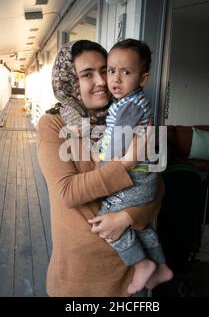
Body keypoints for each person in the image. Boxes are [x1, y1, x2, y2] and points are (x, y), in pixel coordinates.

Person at [37, 40, 165, 297]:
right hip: (78, 278)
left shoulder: (131, 114)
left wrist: (126, 218)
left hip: (129, 274)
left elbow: (157, 188)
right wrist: (125, 163)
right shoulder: (53, 125)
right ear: (69, 81)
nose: (102, 81)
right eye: (87, 74)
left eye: (105, 70)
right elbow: (69, 193)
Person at [90, 39, 173, 294]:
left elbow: (117, 149)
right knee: (140, 225)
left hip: (135, 180)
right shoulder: (128, 103)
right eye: (112, 70)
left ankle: (141, 264)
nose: (115, 78)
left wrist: (100, 166)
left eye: (126, 72)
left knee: (106, 218)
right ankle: (160, 266)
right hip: (143, 181)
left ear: (143, 78)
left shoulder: (129, 107)